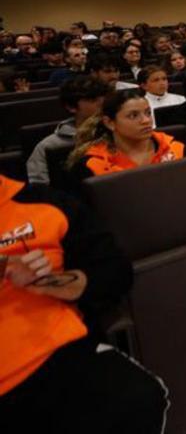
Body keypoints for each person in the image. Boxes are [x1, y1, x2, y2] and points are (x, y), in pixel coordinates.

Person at [0, 174, 169, 432]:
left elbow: (115, 272)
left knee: (141, 400)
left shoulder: (47, 203)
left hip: (62, 353)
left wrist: (45, 281)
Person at [67, 90, 185, 183]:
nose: (146, 120)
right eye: (133, 115)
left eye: (148, 113)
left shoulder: (175, 147)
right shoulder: (91, 165)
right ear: (110, 123)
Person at [26, 77, 109, 185]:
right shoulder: (48, 146)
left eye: (104, 99)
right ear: (71, 107)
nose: (102, 104)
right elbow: (40, 188)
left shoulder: (118, 134)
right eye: (92, 100)